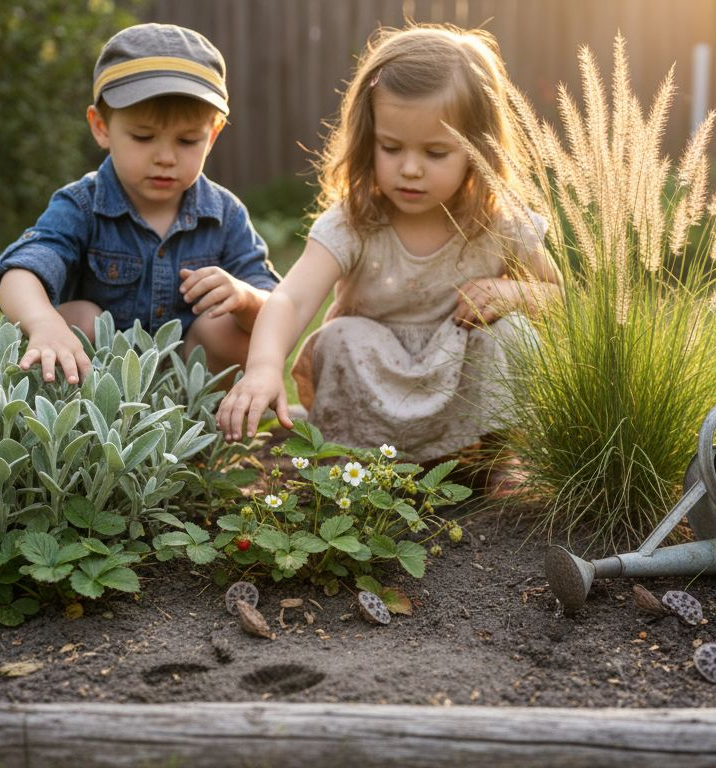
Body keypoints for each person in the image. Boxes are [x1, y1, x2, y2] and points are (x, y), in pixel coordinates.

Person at [217, 24, 560, 460]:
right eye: (392, 148)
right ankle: (350, 461)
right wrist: (264, 369)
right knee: (341, 337)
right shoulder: (355, 222)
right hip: (374, 397)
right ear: (368, 139)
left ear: (478, 150)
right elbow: (290, 300)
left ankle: (496, 460)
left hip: (461, 394)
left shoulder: (499, 223)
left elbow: (560, 298)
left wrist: (516, 292)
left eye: (436, 153)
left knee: (513, 332)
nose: (411, 169)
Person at [0, 23, 279, 385]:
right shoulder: (82, 205)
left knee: (228, 325)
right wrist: (43, 322)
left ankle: (211, 432)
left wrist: (246, 297)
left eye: (188, 140)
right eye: (143, 137)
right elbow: (20, 271)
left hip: (191, 385)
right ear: (101, 127)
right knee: (81, 319)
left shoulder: (225, 215)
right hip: (101, 389)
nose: (166, 157)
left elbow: (277, 312)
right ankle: (86, 426)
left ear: (213, 134)